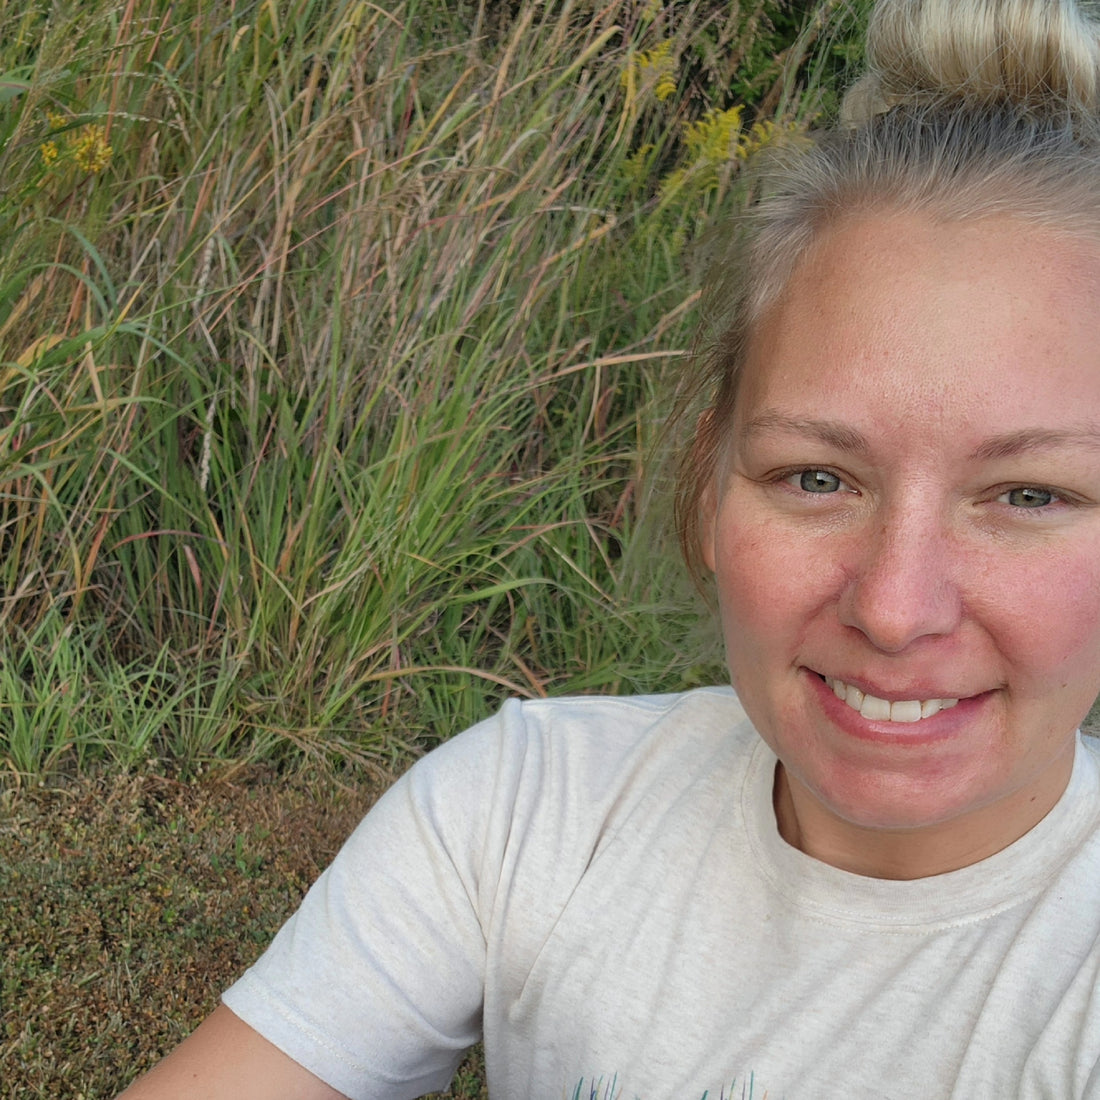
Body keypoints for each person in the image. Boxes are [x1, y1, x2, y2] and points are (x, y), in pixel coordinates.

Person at [117, 0, 1100, 1096]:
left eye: (1026, 493)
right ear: (703, 486)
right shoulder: (527, 808)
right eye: (815, 477)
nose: (892, 604)